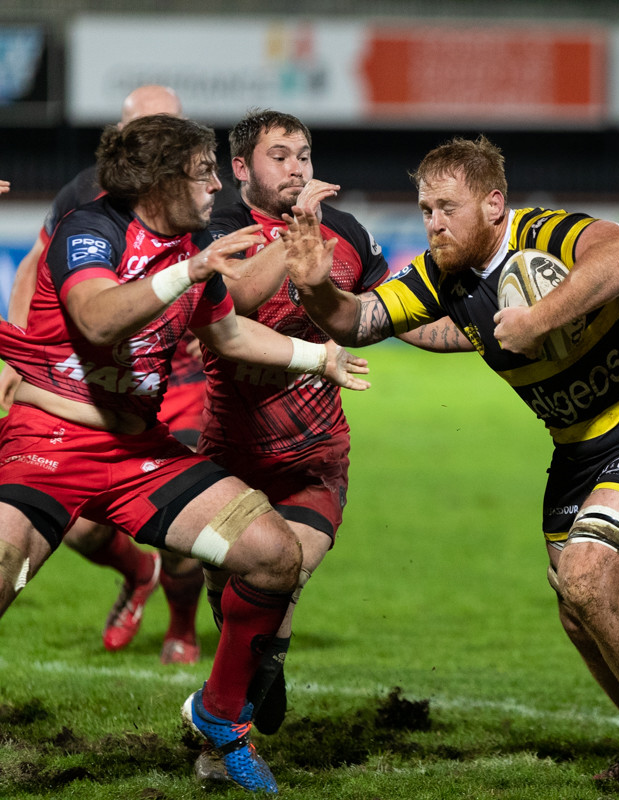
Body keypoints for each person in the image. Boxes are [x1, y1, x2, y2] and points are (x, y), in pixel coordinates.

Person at [282, 134, 619, 800]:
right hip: (577, 451)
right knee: (577, 608)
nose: (433, 222)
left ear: (493, 203)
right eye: (425, 208)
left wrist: (541, 318)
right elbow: (358, 320)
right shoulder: (438, 275)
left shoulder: (545, 232)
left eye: (447, 207)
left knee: (589, 575)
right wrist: (315, 284)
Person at [0, 113, 370, 794]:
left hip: (139, 452)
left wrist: (319, 356)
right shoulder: (92, 228)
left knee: (274, 557)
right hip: (49, 442)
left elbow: (227, 333)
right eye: (203, 172)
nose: (213, 187)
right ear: (165, 179)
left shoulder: (195, 242)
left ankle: (221, 718)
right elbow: (96, 317)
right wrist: (192, 270)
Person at [198, 109, 468, 755]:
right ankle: (259, 660)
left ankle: (255, 677)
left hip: (315, 459)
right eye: (280, 156)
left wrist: (482, 335)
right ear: (241, 168)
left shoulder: (344, 232)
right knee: (232, 584)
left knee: (287, 569)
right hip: (229, 455)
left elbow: (392, 315)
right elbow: (229, 306)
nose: (297, 167)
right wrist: (294, 235)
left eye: (304, 155)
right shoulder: (215, 230)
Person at [1, 84, 207, 665]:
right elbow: (33, 270)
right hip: (90, 388)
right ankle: (138, 570)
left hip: (180, 388)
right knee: (81, 530)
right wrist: (23, 356)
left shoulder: (204, 193)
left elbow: (232, 294)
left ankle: (183, 630)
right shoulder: (82, 195)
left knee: (185, 529)